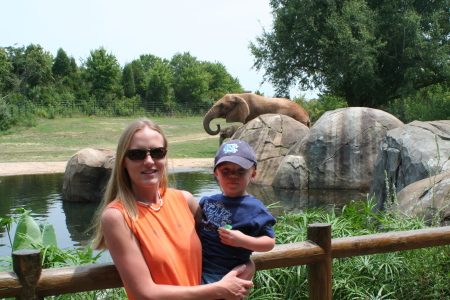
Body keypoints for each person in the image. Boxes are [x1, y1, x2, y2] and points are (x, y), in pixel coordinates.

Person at [91, 118, 253, 300]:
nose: (149, 161)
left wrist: (248, 264)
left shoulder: (185, 201)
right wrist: (219, 289)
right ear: (123, 161)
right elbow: (145, 293)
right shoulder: (117, 216)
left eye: (157, 152)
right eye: (137, 154)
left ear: (165, 156)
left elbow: (220, 248)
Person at [199, 139, 276, 284]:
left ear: (253, 175)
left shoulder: (255, 208)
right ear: (216, 173)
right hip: (198, 263)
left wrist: (243, 241)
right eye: (225, 170)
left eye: (241, 170)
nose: (233, 175)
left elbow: (269, 242)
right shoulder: (206, 202)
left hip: (225, 270)